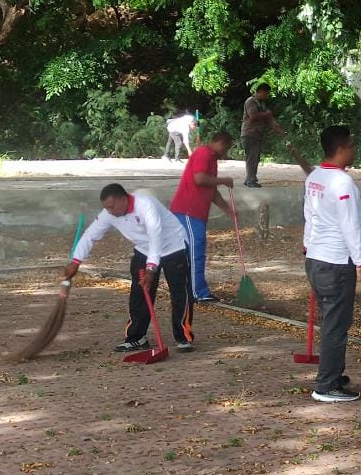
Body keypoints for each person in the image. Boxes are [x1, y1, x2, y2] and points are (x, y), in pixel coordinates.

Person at [62, 183, 196, 352]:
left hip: (173, 245)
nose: (109, 211)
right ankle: (136, 337)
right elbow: (90, 235)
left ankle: (183, 337)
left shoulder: (146, 205)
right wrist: (76, 261)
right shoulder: (109, 213)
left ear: (123, 199)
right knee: (139, 293)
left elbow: (155, 237)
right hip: (143, 249)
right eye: (106, 208)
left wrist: (151, 269)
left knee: (179, 292)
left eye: (112, 207)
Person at [303, 126, 361, 402]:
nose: (355, 149)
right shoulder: (341, 182)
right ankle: (326, 386)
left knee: (331, 322)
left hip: (317, 259)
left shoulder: (315, 177)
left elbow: (308, 215)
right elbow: (349, 226)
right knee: (336, 325)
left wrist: (307, 248)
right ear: (341, 148)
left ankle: (333, 373)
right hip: (336, 262)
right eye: (352, 144)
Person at [169, 131, 236, 303]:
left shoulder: (211, 158)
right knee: (195, 251)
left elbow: (211, 189)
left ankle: (195, 289)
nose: (226, 153)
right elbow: (199, 179)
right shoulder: (203, 153)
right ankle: (197, 292)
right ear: (220, 143)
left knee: (195, 251)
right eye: (226, 148)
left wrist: (227, 209)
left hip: (196, 213)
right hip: (188, 211)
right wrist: (223, 180)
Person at [240, 84, 285, 188]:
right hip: (249, 133)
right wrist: (267, 115)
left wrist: (278, 130)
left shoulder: (262, 104)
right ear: (260, 91)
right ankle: (251, 180)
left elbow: (269, 120)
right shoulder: (250, 101)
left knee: (254, 157)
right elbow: (253, 116)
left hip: (257, 134)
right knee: (252, 157)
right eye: (266, 93)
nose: (267, 96)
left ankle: (249, 179)